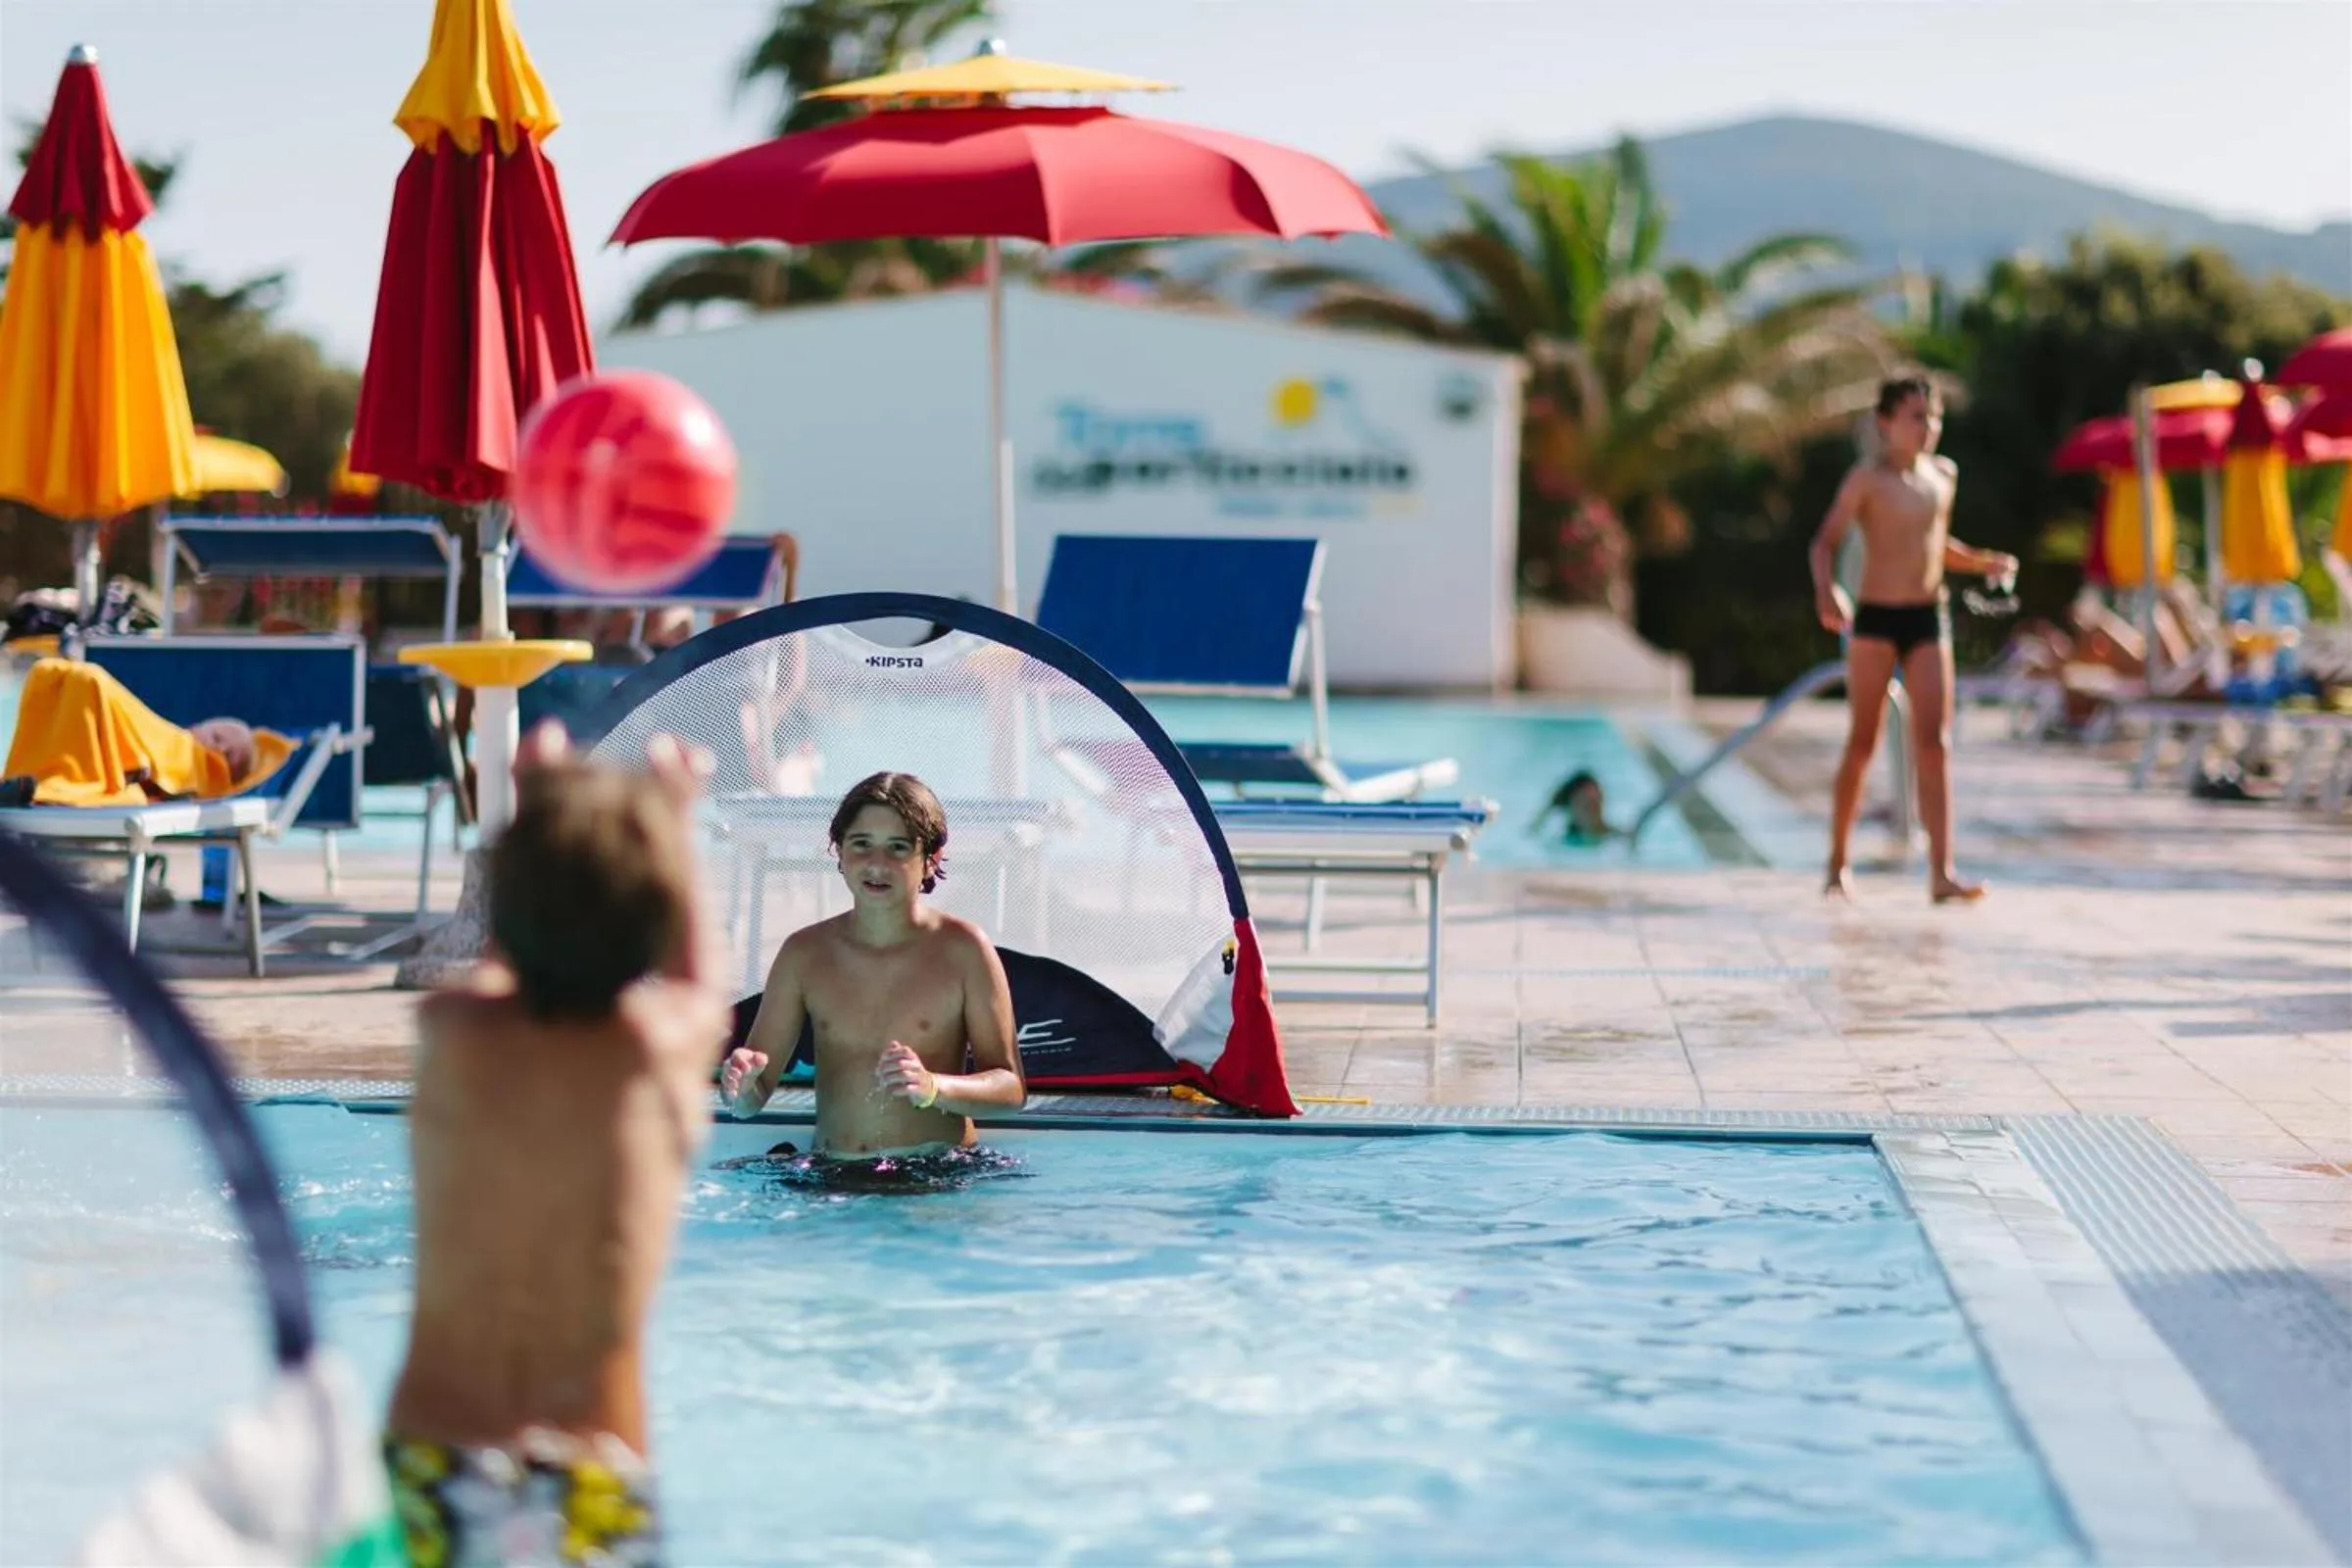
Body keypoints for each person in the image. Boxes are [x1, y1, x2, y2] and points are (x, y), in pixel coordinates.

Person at [385, 720, 730, 1568]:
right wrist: (679, 818)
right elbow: (702, 987)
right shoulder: (660, 1054)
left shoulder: (456, 1036)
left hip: (436, 1452)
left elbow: (507, 958)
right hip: (591, 1471)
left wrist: (532, 810)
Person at [719, 770, 1025, 1160]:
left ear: (931, 859)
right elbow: (751, 1101)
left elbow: (1011, 1090)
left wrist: (933, 1087)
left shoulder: (964, 950)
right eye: (862, 844)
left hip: (935, 1175)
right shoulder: (805, 953)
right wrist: (741, 1088)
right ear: (839, 851)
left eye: (897, 848)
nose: (877, 863)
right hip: (832, 1176)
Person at [1809, 374, 2019, 904]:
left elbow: (1934, 542)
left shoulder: (1943, 475)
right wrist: (1828, 590)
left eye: (1934, 417)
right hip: (1876, 618)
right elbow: (1824, 541)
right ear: (1885, 422)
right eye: (1916, 417)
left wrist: (1981, 562)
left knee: (1936, 744)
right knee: (1863, 742)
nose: (1928, 428)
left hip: (1928, 617)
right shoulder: (1866, 480)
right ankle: (1837, 863)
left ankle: (1941, 872)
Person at [1, 656, 288, 808]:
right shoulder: (173, 736)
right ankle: (31, 775)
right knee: (47, 673)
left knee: (88, 680)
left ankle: (47, 783)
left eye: (225, 751)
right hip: (146, 743)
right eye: (214, 734)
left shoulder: (199, 768)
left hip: (146, 756)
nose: (217, 747)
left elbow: (164, 773)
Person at [1531, 769, 1619, 844]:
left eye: (1596, 803)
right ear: (1571, 807)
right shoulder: (1562, 842)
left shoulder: (1619, 838)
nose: (1593, 812)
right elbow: (1532, 834)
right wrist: (1551, 807)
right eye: (1587, 806)